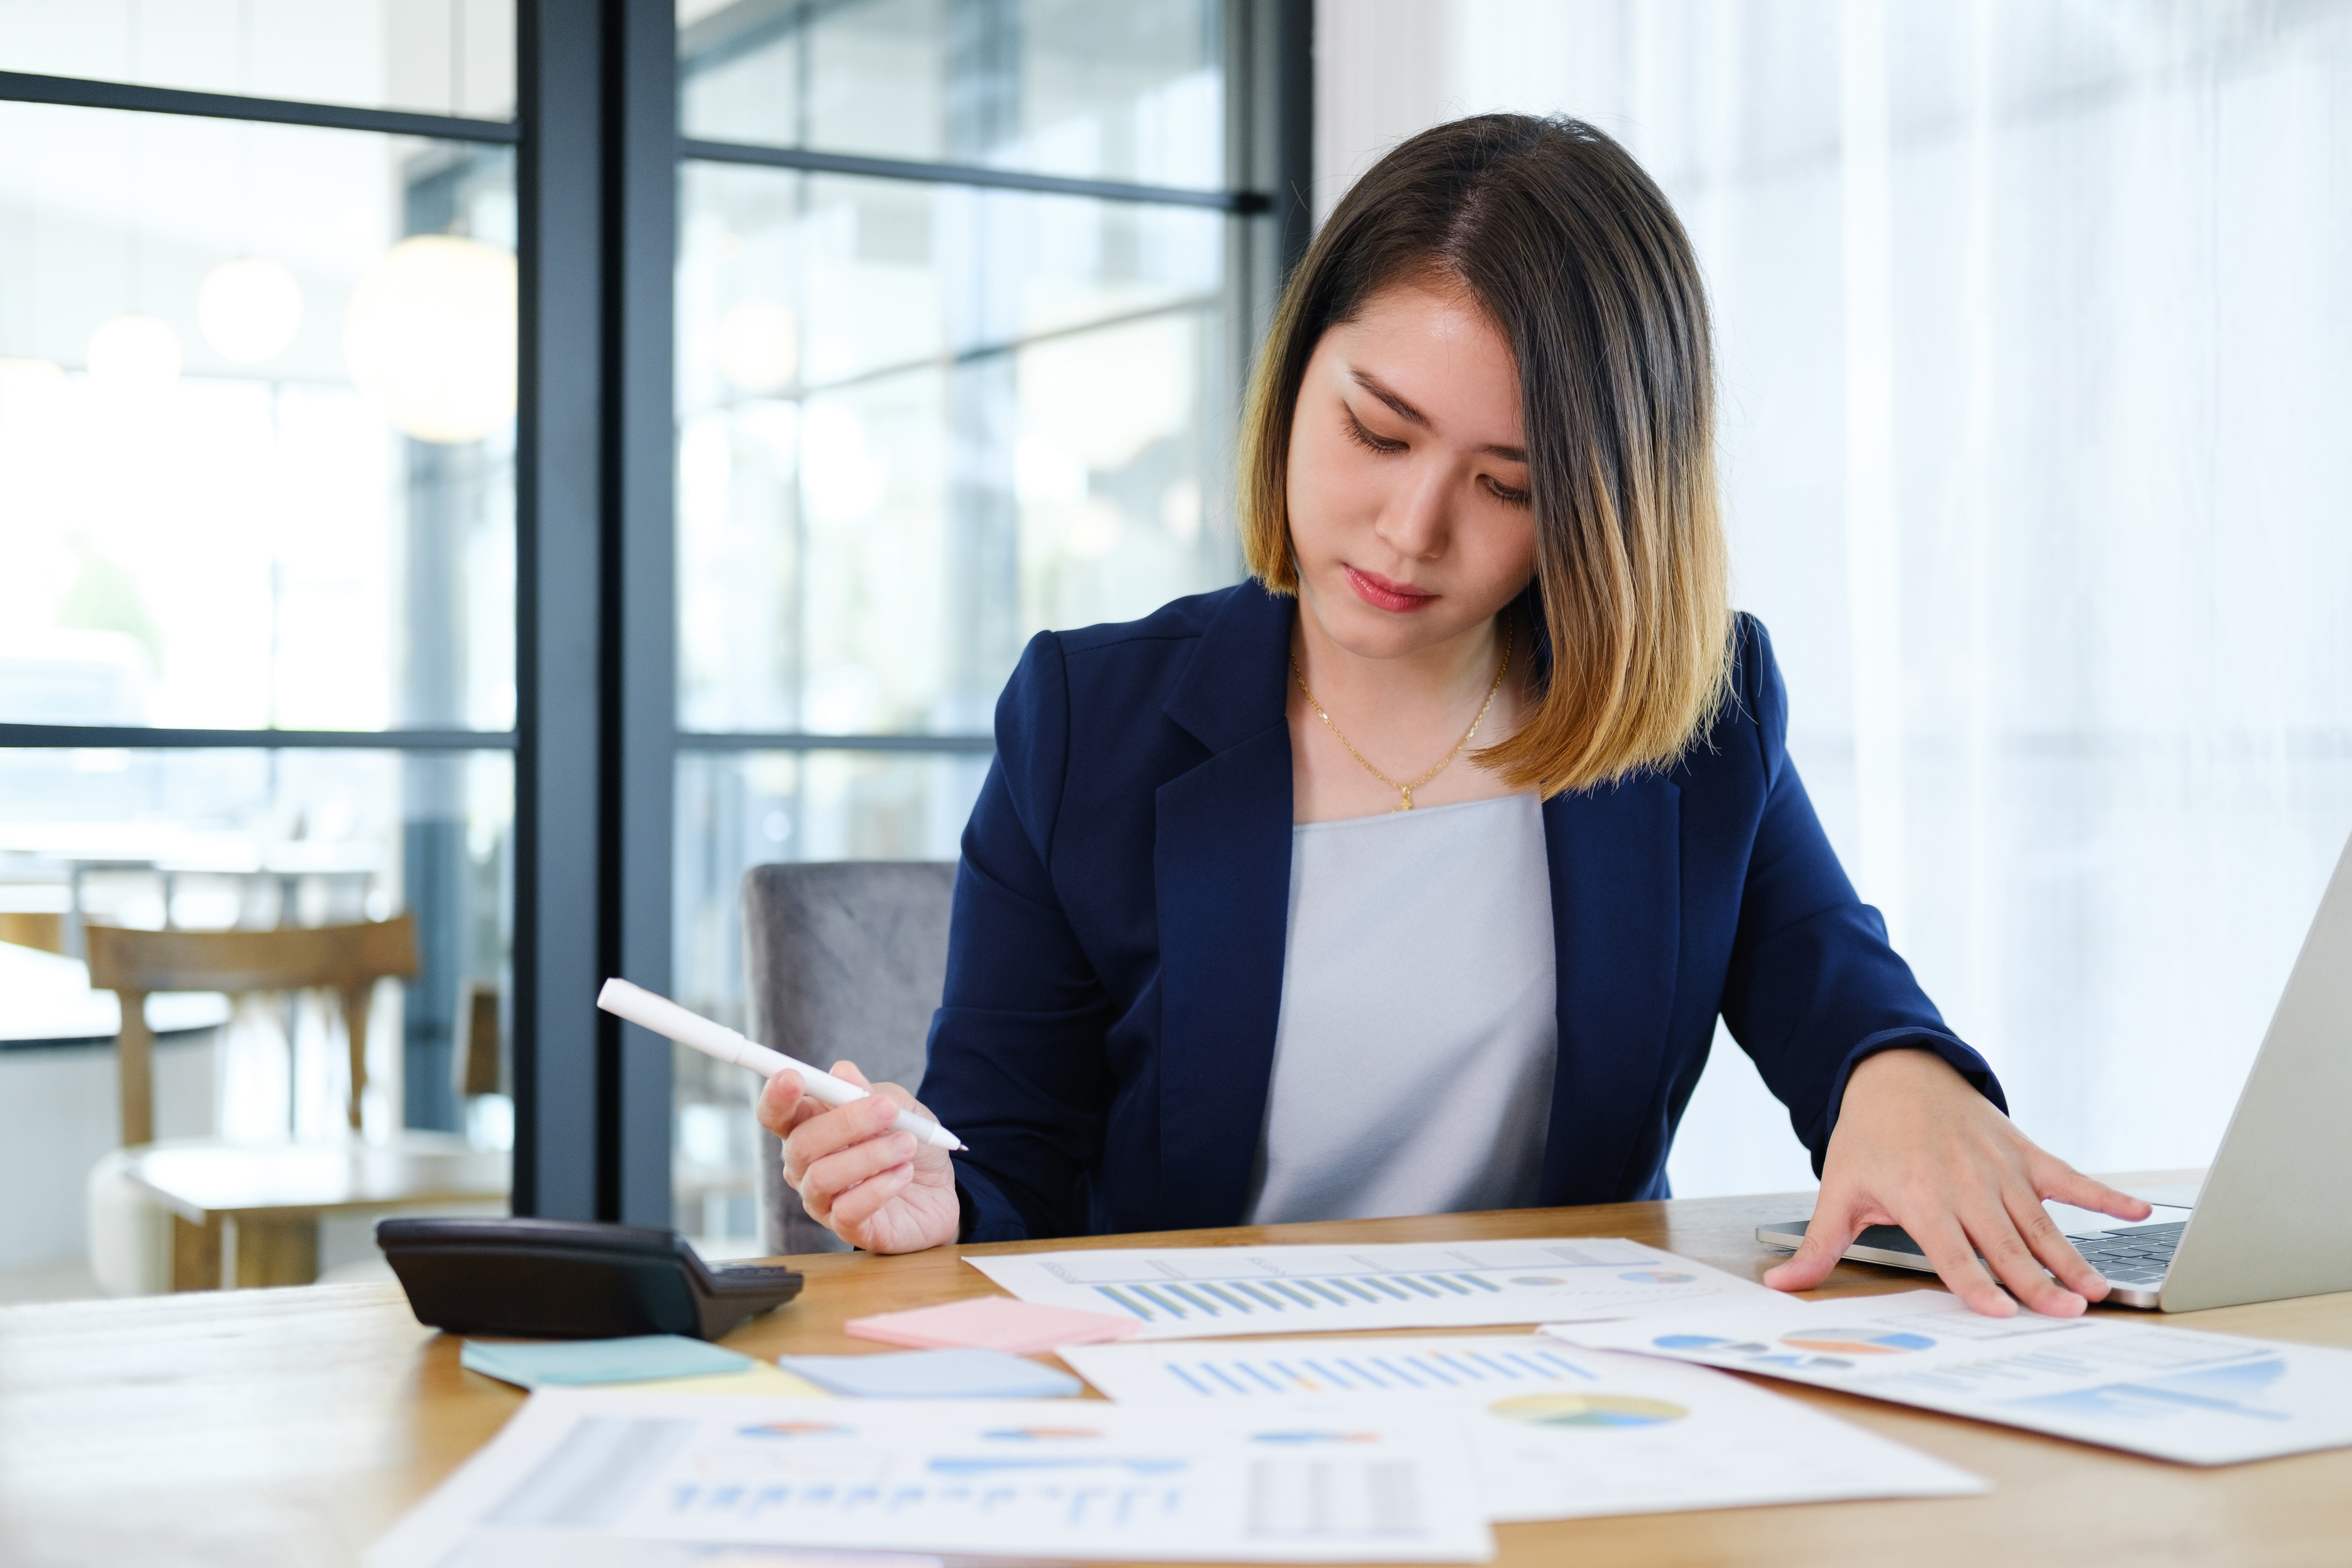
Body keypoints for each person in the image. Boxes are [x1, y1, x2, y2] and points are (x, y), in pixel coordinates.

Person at [755, 113, 2151, 1318]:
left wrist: (1898, 1075)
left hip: (1550, 1409)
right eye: (1376, 429)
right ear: (1300, 368)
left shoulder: (1690, 715)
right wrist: (931, 1204)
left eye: (1511, 485)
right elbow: (1007, 1167)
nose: (1409, 531)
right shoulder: (1091, 717)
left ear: (1607, 510)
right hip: (1189, 1406)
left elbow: (1835, 992)